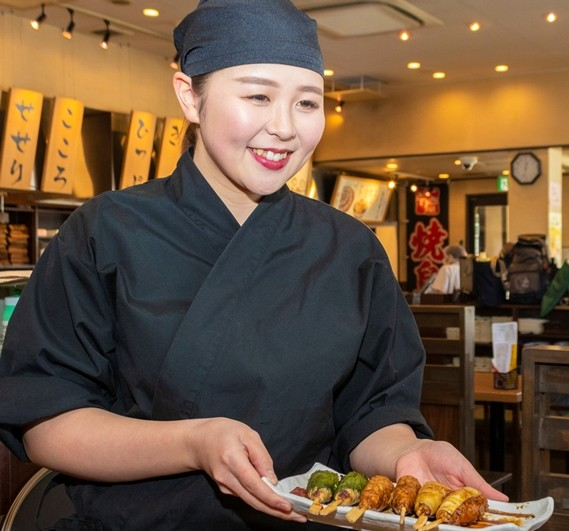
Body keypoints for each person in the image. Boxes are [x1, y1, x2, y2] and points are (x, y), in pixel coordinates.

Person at [0, 1, 506, 529]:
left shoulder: (351, 250)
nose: (285, 128)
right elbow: (48, 422)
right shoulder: (104, 232)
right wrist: (192, 442)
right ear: (189, 96)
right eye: (258, 95)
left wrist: (404, 456)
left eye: (307, 103)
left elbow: (371, 413)